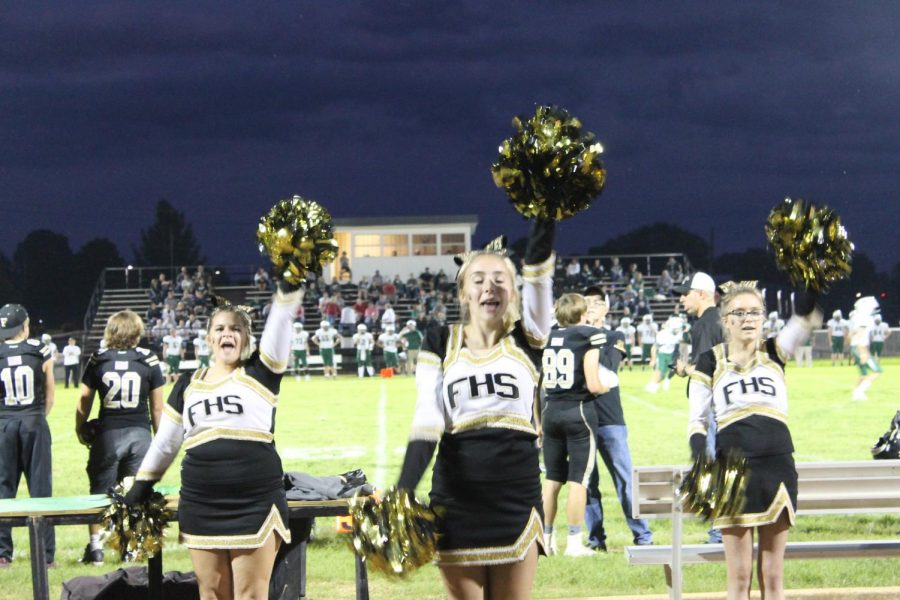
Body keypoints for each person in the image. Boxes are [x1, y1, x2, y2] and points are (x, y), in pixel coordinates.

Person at [397, 219, 555, 599]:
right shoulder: (440, 340)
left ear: (514, 292)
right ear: (463, 292)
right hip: (456, 499)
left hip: (515, 495)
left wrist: (546, 212)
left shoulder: (528, 338)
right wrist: (403, 490)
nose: (490, 286)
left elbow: (539, 276)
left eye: (501, 279)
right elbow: (428, 416)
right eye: (479, 279)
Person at [124, 282, 304, 599]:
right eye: (219, 328)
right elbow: (165, 443)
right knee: (211, 594)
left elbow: (280, 322)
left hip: (255, 501)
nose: (227, 334)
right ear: (209, 338)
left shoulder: (261, 372)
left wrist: (287, 289)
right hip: (202, 502)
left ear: (247, 338)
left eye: (235, 329)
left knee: (250, 594)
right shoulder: (188, 384)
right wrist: (140, 487)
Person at [688, 281, 820, 599]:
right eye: (740, 312)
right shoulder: (709, 361)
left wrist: (812, 276)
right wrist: (700, 462)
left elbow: (803, 315)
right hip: (732, 470)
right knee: (740, 575)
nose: (748, 319)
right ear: (725, 319)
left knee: (772, 575)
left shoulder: (776, 351)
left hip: (778, 465)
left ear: (763, 317)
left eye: (755, 312)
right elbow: (697, 421)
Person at [75, 310, 165, 565]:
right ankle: (130, 548)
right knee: (135, 495)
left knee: (99, 493)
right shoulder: (148, 359)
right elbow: (157, 408)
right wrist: (160, 442)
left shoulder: (99, 359)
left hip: (108, 435)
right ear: (137, 332)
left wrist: (81, 429)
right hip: (139, 435)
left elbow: (84, 400)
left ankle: (96, 550)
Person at [581, 288, 652, 551]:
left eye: (597, 303)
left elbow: (608, 365)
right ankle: (595, 540)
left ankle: (643, 535)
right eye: (586, 303)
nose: (591, 307)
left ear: (606, 309)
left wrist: (585, 346)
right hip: (582, 419)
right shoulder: (576, 336)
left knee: (625, 481)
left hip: (611, 420)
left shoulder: (615, 336)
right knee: (588, 485)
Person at [541, 293, 609, 557]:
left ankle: (546, 540)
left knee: (552, 479)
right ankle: (573, 543)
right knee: (578, 480)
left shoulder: (547, 336)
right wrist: (605, 387)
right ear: (581, 313)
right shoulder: (588, 334)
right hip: (578, 411)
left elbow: (539, 383)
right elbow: (592, 383)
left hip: (551, 411)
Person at [0, 304, 56, 568]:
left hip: (4, 424)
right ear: (25, 324)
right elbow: (50, 394)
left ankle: (2, 554)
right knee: (41, 489)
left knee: (3, 489)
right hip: (33, 420)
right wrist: (35, 417)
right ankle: (45, 556)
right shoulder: (39, 349)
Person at [673, 271, 724, 544]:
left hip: (712, 408)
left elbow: (707, 371)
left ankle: (718, 530)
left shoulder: (705, 324)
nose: (682, 299)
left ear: (702, 293)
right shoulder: (723, 320)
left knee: (711, 463)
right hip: (729, 404)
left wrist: (684, 370)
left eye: (686, 293)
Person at [849, 297, 882, 401]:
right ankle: (860, 392)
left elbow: (851, 334)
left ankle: (856, 393)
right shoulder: (865, 319)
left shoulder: (857, 318)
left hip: (854, 347)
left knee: (863, 373)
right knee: (877, 371)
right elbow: (859, 335)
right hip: (860, 348)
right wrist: (863, 353)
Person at [644, 316, 681, 394]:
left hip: (670, 354)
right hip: (661, 354)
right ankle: (652, 385)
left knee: (664, 374)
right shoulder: (663, 334)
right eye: (676, 328)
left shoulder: (677, 334)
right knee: (659, 371)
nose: (677, 330)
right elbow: (654, 347)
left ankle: (653, 385)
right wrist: (653, 359)